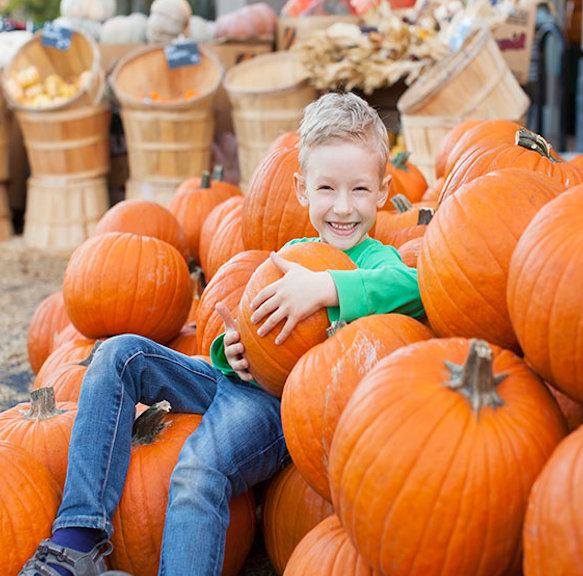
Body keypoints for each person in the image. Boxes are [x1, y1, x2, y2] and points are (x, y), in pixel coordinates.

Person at [20, 91, 424, 576]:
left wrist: (325, 287)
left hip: (280, 406)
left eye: (359, 190)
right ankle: (78, 539)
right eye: (326, 189)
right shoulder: (289, 252)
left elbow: (414, 286)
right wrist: (228, 350)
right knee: (118, 355)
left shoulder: (377, 261)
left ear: (382, 191)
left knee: (197, 471)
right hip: (235, 380)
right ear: (301, 189)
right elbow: (255, 329)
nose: (343, 207)